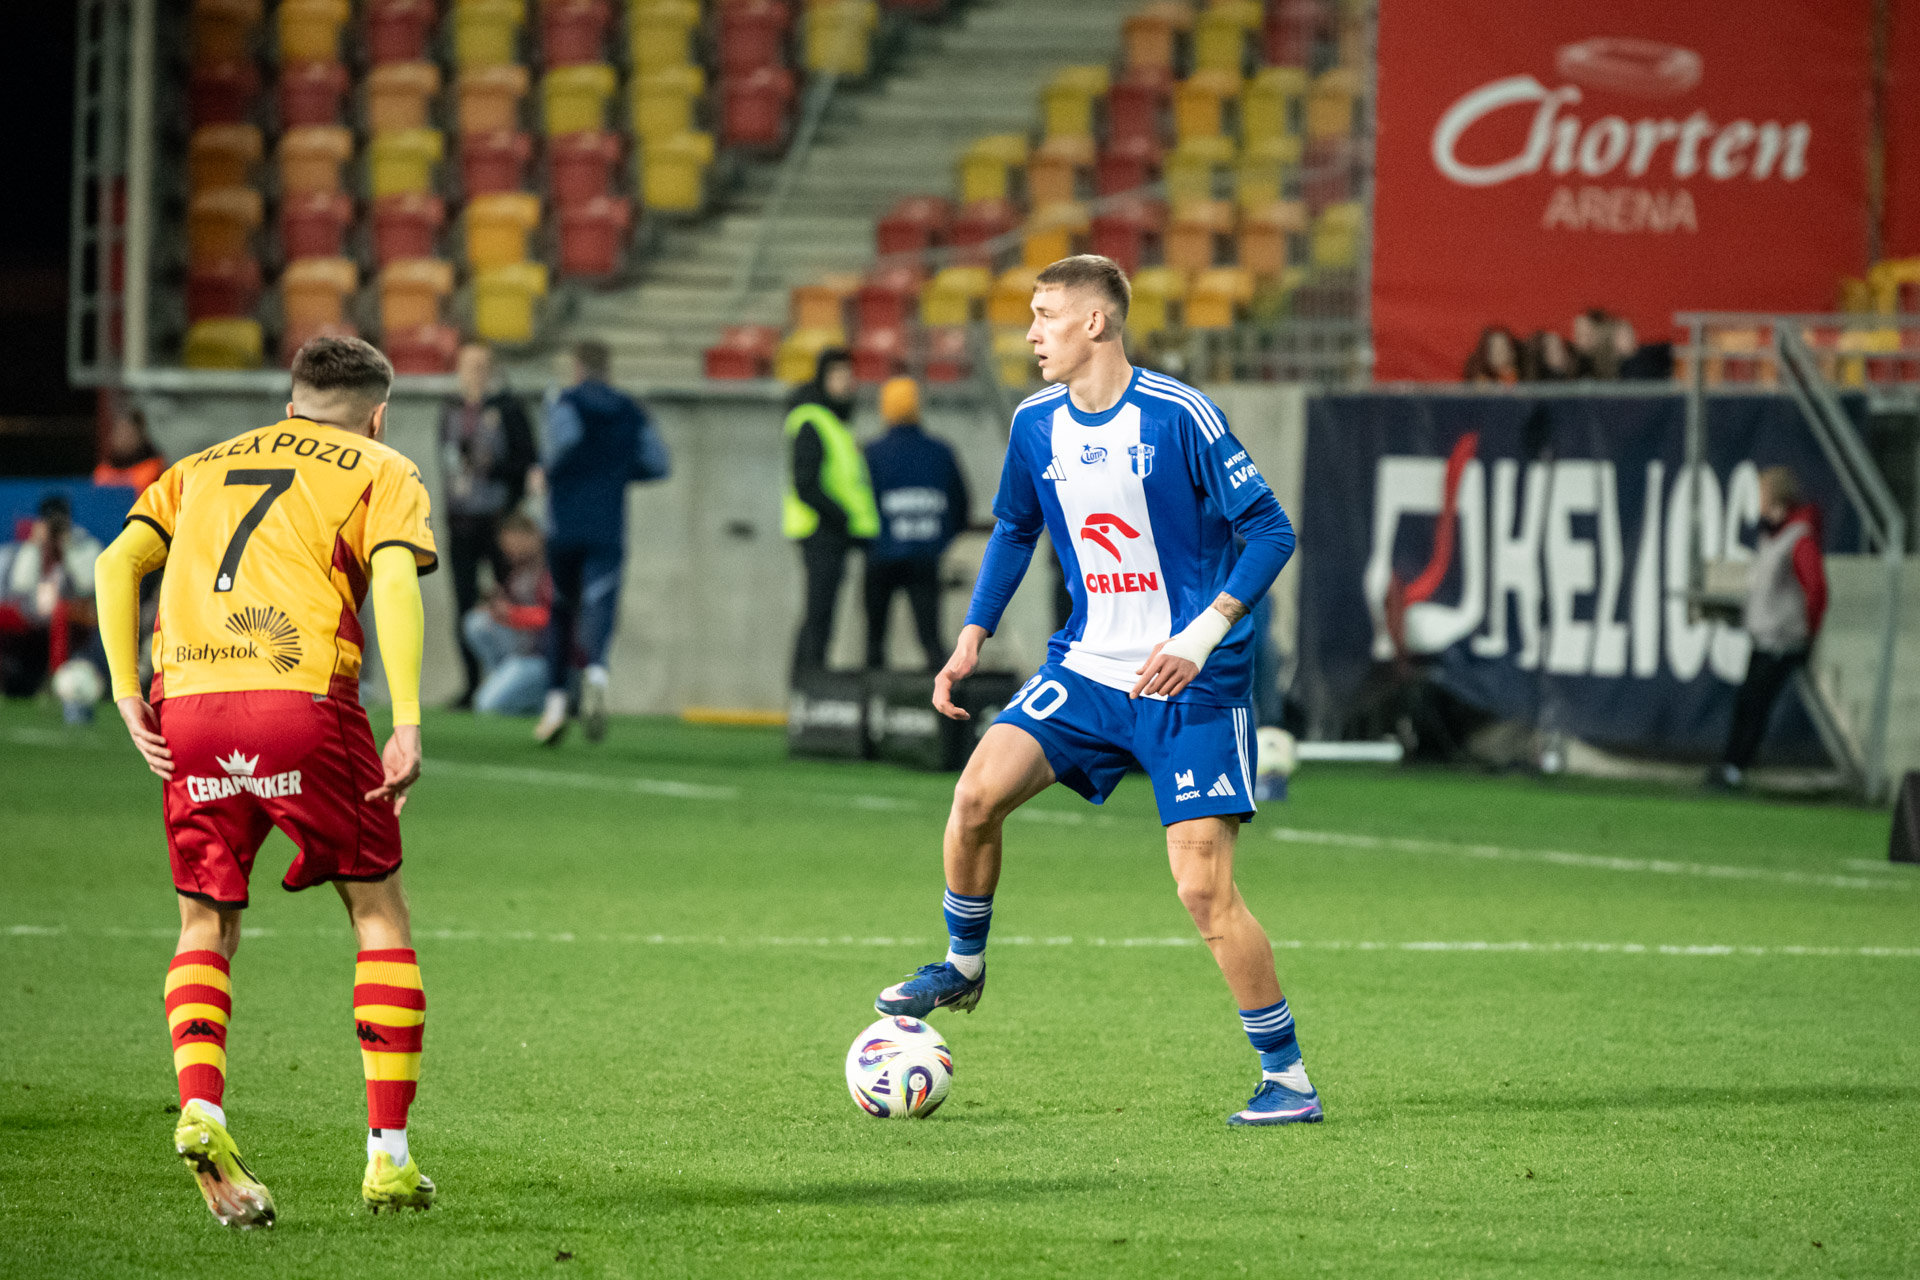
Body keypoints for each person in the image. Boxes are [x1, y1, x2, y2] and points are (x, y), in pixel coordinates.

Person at [871, 255, 1309, 1127]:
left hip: (1192, 682)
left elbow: (1270, 530)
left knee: (1201, 890)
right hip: (1086, 669)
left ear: (1096, 322)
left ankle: (1288, 1079)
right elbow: (1014, 527)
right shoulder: (1035, 424)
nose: (1031, 334)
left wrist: (1200, 637)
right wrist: (973, 633)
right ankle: (963, 965)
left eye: (1046, 315)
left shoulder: (1180, 415)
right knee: (975, 796)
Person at [91, 336, 440, 1227]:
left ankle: (201, 1106)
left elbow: (114, 564)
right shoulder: (384, 468)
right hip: (303, 700)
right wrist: (406, 718)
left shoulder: (197, 466)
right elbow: (395, 579)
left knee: (204, 922)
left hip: (187, 707)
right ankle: (389, 1159)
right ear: (377, 415)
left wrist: (127, 693)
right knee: (377, 911)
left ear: (289, 407)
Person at [534, 338, 669, 745]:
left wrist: (547, 473)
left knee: (561, 609)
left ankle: (556, 703)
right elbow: (658, 463)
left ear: (577, 367)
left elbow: (560, 446)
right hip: (608, 522)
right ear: (608, 368)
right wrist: (617, 472)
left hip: (564, 523)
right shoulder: (631, 410)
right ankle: (595, 673)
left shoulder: (565, 402)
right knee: (601, 604)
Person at [1712, 466, 1827, 789]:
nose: (1758, 500)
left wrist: (1807, 633)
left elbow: (1817, 589)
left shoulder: (1798, 539)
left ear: (1776, 495)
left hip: (1782, 641)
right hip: (1764, 638)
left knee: (1755, 706)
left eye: (1762, 493)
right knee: (1745, 704)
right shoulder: (1773, 535)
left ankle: (1735, 769)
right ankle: (1730, 765)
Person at [438, 343, 538, 707]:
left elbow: (527, 461)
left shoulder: (509, 409)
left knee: (510, 598)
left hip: (497, 523)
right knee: (465, 603)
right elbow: (448, 463)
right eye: (468, 366)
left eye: (481, 366)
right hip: (461, 521)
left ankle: (512, 679)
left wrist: (492, 468)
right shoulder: (450, 410)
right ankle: (471, 684)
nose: (475, 374)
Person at [862, 376, 970, 671]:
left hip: (881, 554)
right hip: (925, 556)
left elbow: (860, 503)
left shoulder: (872, 453)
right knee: (931, 639)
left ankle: (874, 696)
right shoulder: (940, 451)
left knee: (874, 641)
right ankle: (943, 696)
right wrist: (939, 540)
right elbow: (961, 504)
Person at [784, 347, 879, 677]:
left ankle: (809, 682)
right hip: (821, 530)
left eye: (849, 376)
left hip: (836, 530)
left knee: (822, 613)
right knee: (819, 613)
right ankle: (809, 683)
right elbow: (806, 484)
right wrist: (841, 517)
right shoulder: (813, 421)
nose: (846, 383)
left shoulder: (836, 422)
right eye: (838, 375)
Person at [0, 493, 103, 710]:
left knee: (60, 611)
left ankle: (56, 684)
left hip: (74, 618)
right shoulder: (31, 547)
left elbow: (87, 585)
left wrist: (68, 547)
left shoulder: (84, 545)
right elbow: (20, 586)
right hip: (32, 617)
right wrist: (35, 546)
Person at [461, 513, 552, 715]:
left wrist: (511, 614)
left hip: (544, 659)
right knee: (477, 622)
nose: (510, 551)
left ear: (532, 536)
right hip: (520, 655)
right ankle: (506, 683)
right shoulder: (518, 571)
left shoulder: (551, 567)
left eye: (514, 543)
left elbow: (552, 617)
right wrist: (496, 609)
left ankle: (544, 698)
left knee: (486, 704)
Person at [94, 405, 167, 491]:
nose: (122, 439)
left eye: (128, 433)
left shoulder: (154, 468)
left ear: (140, 436)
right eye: (119, 433)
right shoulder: (103, 471)